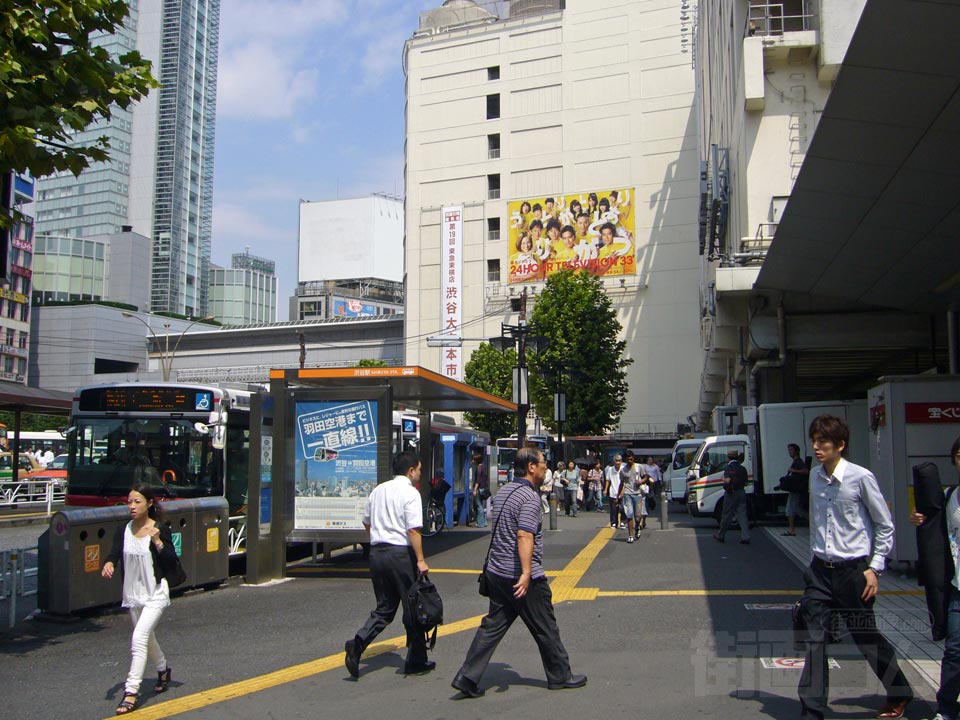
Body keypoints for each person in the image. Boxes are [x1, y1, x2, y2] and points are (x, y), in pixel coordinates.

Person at [797, 414, 912, 720]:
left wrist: (874, 568)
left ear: (840, 445)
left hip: (854, 572)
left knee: (866, 639)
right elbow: (817, 522)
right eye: (814, 441)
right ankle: (812, 710)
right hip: (821, 571)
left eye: (823, 441)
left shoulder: (861, 478)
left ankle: (900, 692)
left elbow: (884, 526)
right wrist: (812, 561)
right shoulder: (814, 475)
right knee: (815, 639)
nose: (817, 447)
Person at [451, 447, 587, 698]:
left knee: (492, 626)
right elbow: (524, 534)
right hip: (521, 576)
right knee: (545, 625)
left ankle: (467, 676)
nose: (546, 467)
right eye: (543, 463)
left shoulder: (504, 492)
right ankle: (560, 675)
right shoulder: (529, 498)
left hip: (496, 571)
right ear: (531, 467)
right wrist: (526, 573)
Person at [344, 451, 434, 679]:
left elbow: (366, 521)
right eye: (419, 469)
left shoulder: (378, 490)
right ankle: (415, 661)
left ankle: (357, 644)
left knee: (385, 607)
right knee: (412, 606)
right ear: (411, 470)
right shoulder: (410, 493)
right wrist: (421, 560)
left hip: (377, 552)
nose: (420, 474)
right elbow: (413, 529)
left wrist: (378, 537)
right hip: (400, 554)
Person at [101, 483, 178, 715]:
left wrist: (158, 542)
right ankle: (164, 670)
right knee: (147, 638)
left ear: (149, 504)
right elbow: (115, 553)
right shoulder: (123, 530)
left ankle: (131, 692)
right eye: (129, 501)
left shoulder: (159, 529)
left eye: (137, 501)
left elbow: (171, 560)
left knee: (138, 638)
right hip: (133, 594)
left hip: (155, 593)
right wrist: (109, 563)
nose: (132, 506)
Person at [909, 435, 960, 720]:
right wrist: (920, 520)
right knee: (954, 650)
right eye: (959, 454)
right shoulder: (951, 495)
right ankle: (947, 708)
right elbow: (937, 533)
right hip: (958, 589)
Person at [712, 448, 751, 545]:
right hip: (741, 492)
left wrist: (723, 479)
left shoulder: (728, 468)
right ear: (737, 457)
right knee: (742, 515)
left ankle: (721, 535)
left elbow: (728, 480)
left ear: (728, 457)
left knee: (726, 514)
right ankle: (745, 536)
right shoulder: (742, 468)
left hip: (731, 493)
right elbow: (746, 482)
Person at [780, 443, 809, 536]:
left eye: (791, 450)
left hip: (796, 490)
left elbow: (806, 471)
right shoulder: (795, 462)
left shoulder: (798, 462)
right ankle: (792, 529)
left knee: (791, 509)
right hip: (796, 489)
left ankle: (791, 530)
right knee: (797, 509)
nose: (790, 452)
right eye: (789, 450)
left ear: (796, 451)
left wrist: (793, 471)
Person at [620, 453, 643, 542]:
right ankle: (630, 535)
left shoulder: (639, 467)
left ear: (633, 458)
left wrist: (640, 482)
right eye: (628, 459)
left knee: (637, 516)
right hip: (627, 493)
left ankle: (637, 527)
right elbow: (621, 483)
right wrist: (618, 495)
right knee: (629, 514)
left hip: (637, 494)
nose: (629, 461)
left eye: (631, 459)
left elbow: (645, 477)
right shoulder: (623, 470)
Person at [604, 455, 624, 528]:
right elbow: (608, 480)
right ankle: (613, 523)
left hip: (622, 491)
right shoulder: (610, 469)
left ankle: (622, 522)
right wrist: (605, 489)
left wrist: (623, 490)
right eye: (616, 461)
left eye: (619, 461)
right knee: (613, 509)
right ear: (614, 461)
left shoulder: (623, 469)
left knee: (623, 508)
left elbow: (625, 481)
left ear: (621, 461)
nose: (618, 462)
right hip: (613, 490)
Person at [471, 452, 489, 529]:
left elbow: (478, 480)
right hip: (484, 488)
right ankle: (484, 522)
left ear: (476, 460)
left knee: (478, 506)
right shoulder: (484, 467)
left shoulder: (478, 468)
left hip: (479, 489)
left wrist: (475, 490)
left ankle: (480, 523)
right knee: (480, 505)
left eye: (473, 459)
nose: (472, 461)